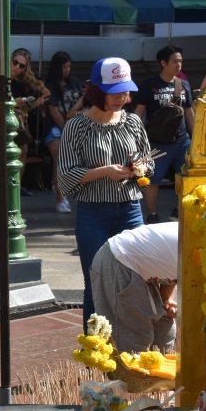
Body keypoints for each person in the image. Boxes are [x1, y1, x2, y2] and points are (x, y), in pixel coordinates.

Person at [57, 57, 152, 324]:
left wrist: (141, 168)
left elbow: (149, 160)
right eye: (113, 92)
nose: (121, 97)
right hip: (93, 212)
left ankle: (131, 343)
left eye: (125, 90)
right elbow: (65, 177)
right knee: (96, 279)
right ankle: (96, 350)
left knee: (137, 275)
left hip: (130, 208)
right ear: (96, 91)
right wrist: (105, 171)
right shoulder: (77, 126)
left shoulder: (133, 122)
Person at [90, 221, 178, 353]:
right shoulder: (205, 242)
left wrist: (166, 299)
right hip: (119, 261)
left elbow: (171, 264)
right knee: (135, 344)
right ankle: (129, 373)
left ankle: (155, 373)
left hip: (141, 266)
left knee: (165, 335)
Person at [134, 45, 194, 223]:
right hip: (157, 141)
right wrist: (136, 137)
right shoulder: (149, 84)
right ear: (163, 63)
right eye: (175, 61)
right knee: (153, 179)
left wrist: (196, 136)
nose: (179, 65)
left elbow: (189, 113)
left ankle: (180, 210)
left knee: (186, 176)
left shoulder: (184, 85)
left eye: (181, 61)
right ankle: (152, 214)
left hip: (182, 141)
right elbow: (139, 112)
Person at [0, 48, 50, 194]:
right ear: (9, 61)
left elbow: (45, 93)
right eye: (15, 63)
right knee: (5, 155)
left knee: (23, 151)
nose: (17, 67)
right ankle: (3, 188)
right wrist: (15, 102)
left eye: (22, 66)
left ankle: (15, 186)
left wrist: (34, 103)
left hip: (17, 124)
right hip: (0, 125)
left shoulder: (22, 83)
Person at [42, 51, 85, 214]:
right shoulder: (50, 86)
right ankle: (60, 197)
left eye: (69, 67)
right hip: (55, 127)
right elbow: (53, 110)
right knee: (59, 157)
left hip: (74, 125)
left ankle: (60, 187)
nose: (67, 70)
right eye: (64, 67)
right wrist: (66, 128)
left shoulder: (74, 83)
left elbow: (82, 101)